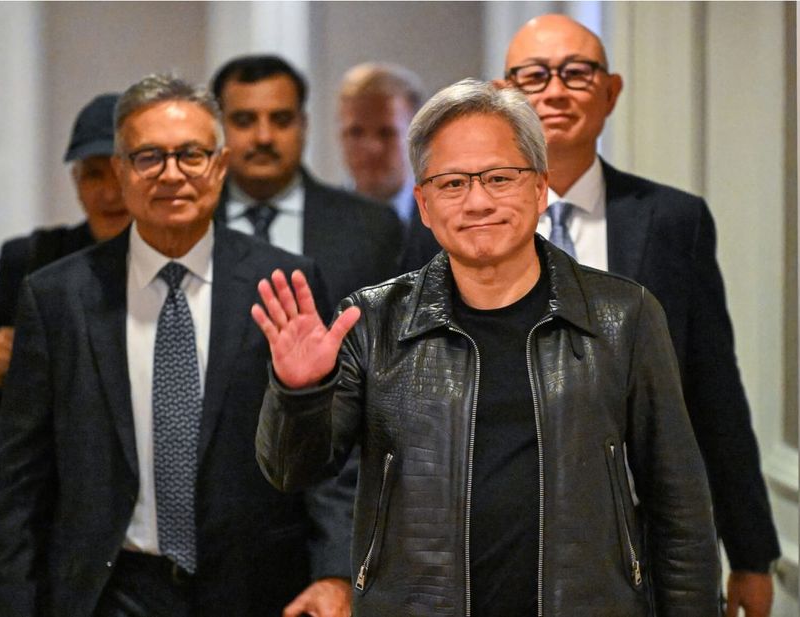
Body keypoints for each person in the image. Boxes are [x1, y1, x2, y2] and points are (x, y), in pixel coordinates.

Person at [253, 79, 720, 616]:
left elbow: (680, 508)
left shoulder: (624, 316)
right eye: (452, 183)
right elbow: (292, 471)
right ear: (424, 204)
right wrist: (300, 392)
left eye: (499, 178)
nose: (478, 202)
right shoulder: (374, 322)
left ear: (539, 188)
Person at [0, 74, 351, 617]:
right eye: (149, 157)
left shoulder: (283, 283)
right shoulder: (58, 297)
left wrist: (337, 573)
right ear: (121, 171)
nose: (171, 174)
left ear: (220, 166)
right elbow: (20, 482)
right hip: (109, 591)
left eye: (191, 155)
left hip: (257, 589)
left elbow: (328, 453)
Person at [489, 15, 780, 617]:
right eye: (534, 75)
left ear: (611, 91)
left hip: (637, 547)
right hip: (497, 541)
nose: (555, 91)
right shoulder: (463, 220)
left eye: (576, 72)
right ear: (503, 95)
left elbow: (712, 390)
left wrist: (751, 553)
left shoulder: (672, 221)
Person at [0, 93, 131, 500]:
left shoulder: (181, 264)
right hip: (50, 492)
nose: (109, 193)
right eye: (94, 175)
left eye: (120, 174)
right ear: (76, 183)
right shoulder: (33, 259)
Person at [210, 54, 403, 308]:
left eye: (281, 120)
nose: (264, 137)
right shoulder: (190, 224)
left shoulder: (372, 228)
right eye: (244, 121)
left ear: (303, 125)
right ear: (217, 128)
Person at [336, 62, 424, 225]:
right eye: (356, 132)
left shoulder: (444, 221)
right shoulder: (319, 221)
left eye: (386, 133)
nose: (371, 148)